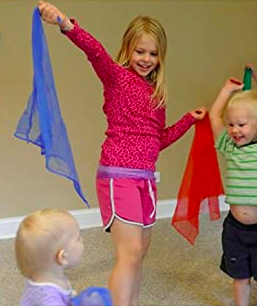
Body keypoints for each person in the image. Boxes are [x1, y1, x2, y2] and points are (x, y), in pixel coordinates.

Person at [37, 2, 206, 305]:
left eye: (153, 53)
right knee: (128, 255)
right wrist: (64, 23)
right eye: (140, 51)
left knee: (139, 253)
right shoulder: (116, 76)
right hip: (119, 177)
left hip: (146, 180)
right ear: (128, 49)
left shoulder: (157, 95)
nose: (146, 59)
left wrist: (188, 121)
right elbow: (95, 51)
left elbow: (158, 140)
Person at [209, 78, 257, 306]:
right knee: (240, 277)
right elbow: (214, 117)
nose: (235, 130)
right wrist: (226, 90)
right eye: (232, 124)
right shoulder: (230, 148)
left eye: (242, 124)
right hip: (235, 229)